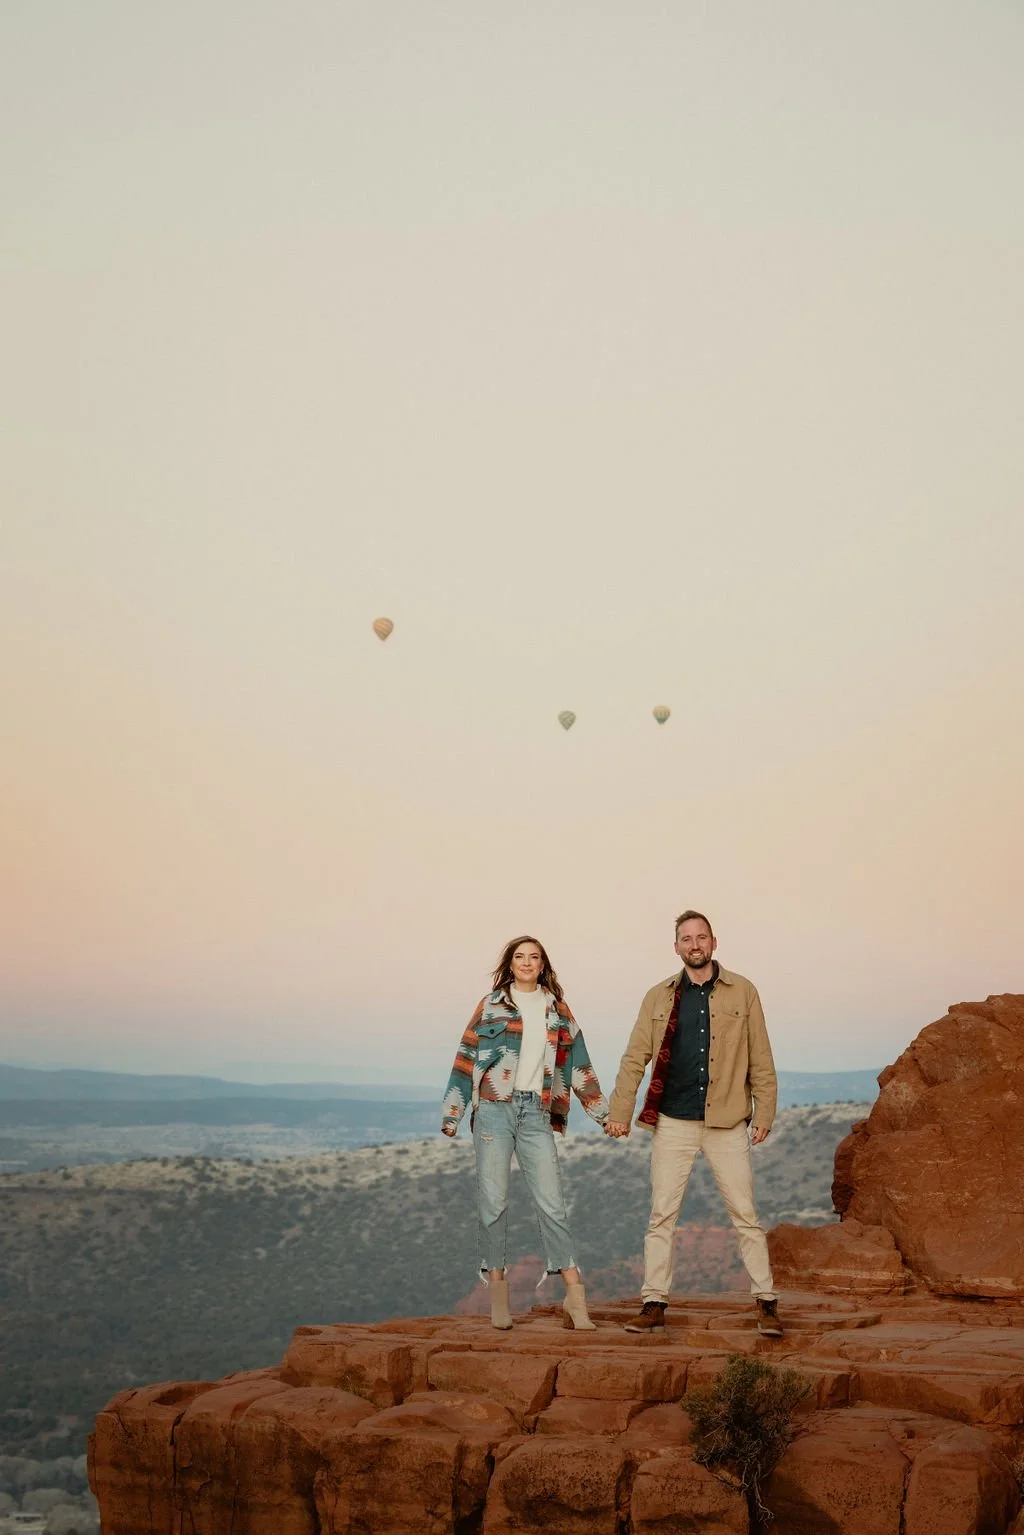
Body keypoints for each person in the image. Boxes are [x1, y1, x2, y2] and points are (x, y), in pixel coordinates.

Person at [605, 910, 782, 1337]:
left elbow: (761, 1054)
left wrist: (766, 1111)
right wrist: (619, 1110)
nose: (695, 945)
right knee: (662, 1214)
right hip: (674, 1121)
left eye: (701, 937)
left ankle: (767, 1303)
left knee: (745, 1213)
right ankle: (654, 1303)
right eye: (687, 939)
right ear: (677, 947)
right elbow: (635, 1058)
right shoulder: (658, 997)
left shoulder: (743, 992)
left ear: (714, 943)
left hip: (727, 1120)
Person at [441, 934, 610, 1331]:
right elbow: (466, 1057)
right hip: (494, 1112)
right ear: (510, 963)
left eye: (534, 957)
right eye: (520, 957)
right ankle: (498, 1298)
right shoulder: (491, 1006)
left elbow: (579, 1064)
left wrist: (602, 1114)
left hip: (536, 1112)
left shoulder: (558, 1010)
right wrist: (453, 1113)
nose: (527, 962)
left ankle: (574, 1299)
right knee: (494, 1202)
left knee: (552, 1203)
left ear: (543, 964)